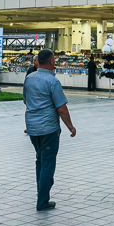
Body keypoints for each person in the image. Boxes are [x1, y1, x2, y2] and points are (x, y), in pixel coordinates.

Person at [22, 48, 76, 211]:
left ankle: (42, 196)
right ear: (52, 61)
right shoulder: (53, 82)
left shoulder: (29, 78)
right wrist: (71, 127)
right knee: (47, 164)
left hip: (32, 128)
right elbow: (61, 109)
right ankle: (42, 201)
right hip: (48, 129)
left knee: (40, 160)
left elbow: (25, 101)